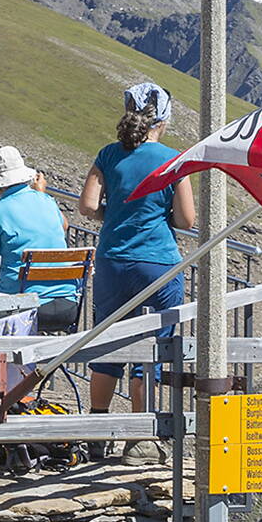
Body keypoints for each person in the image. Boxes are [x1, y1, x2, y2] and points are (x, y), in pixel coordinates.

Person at [77, 82, 199, 429]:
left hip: (113, 259)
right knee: (155, 349)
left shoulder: (108, 154)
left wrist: (112, 215)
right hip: (158, 263)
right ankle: (140, 434)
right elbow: (186, 219)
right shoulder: (173, 159)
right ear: (163, 118)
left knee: (107, 340)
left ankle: (97, 427)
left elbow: (87, 206)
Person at [0, 146, 78, 330]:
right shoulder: (46, 200)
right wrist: (40, 194)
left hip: (21, 307)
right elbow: (64, 225)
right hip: (68, 305)